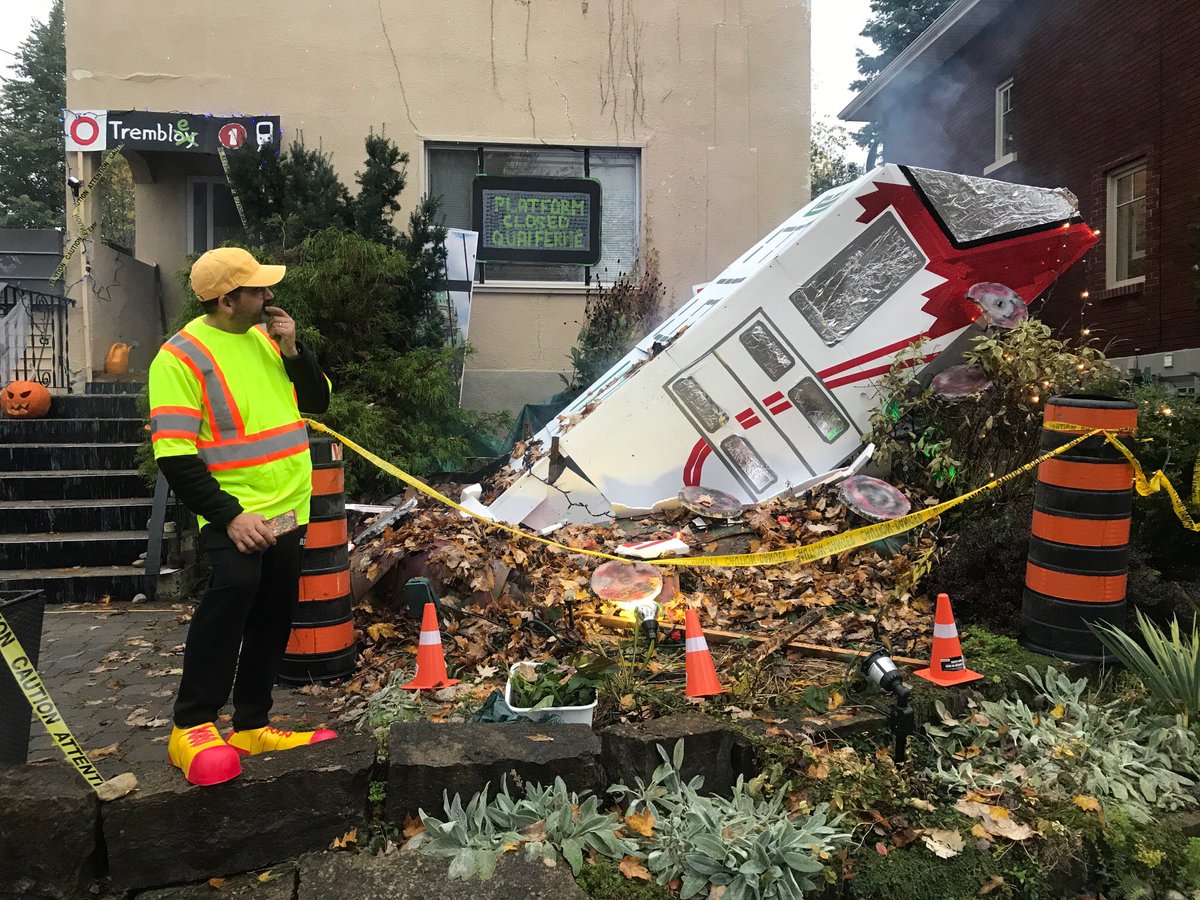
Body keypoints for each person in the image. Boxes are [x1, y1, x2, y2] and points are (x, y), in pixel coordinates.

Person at [149, 247, 337, 786]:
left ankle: (252, 723)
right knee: (232, 595)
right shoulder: (181, 357)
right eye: (257, 290)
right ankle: (191, 726)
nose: (269, 296)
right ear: (228, 299)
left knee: (276, 608)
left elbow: (316, 402)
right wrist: (230, 517)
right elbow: (176, 456)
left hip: (285, 508)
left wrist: (294, 349)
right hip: (234, 512)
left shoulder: (262, 339)